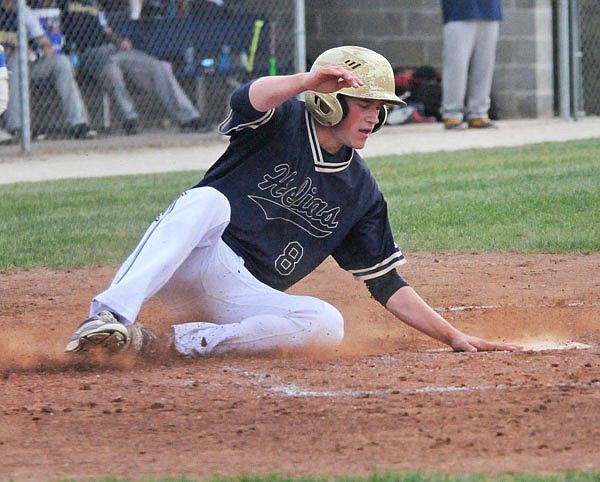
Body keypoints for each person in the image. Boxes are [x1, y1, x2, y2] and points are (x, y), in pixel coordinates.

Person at [64, 45, 519, 357]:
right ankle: (107, 316)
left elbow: (387, 284)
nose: (374, 117)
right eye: (364, 104)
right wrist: (305, 81)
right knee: (207, 201)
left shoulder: (361, 191)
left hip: (238, 297)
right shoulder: (281, 119)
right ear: (330, 102)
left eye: (379, 109)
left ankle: (165, 343)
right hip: (194, 258)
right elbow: (248, 96)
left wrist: (453, 336)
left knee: (327, 322)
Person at [59, 0, 207, 135]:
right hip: (88, 53)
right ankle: (130, 119)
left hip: (112, 48)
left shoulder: (93, 4)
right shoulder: (63, 4)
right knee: (111, 69)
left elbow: (106, 29)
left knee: (157, 67)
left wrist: (119, 40)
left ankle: (189, 117)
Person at [0, 0, 96, 141]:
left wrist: (39, 52)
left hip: (26, 65)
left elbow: (45, 43)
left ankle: (78, 122)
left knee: (61, 62)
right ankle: (17, 127)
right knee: (14, 61)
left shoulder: (24, 11)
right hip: (6, 67)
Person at [440, 0, 502, 130]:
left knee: (484, 65)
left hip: (489, 9)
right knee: (456, 66)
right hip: (459, 11)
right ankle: (452, 113)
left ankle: (478, 113)